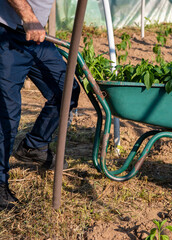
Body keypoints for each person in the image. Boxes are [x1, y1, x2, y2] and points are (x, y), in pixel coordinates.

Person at [0, 0, 80, 210]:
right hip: (7, 33)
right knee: (6, 113)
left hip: (36, 38)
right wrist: (27, 14)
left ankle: (33, 146)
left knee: (66, 90)